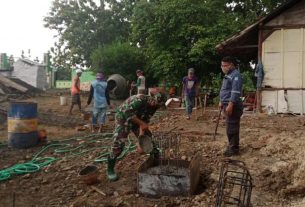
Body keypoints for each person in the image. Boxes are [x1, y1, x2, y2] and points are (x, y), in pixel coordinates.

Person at [107, 93, 166, 181]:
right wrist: (142, 124)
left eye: (157, 104)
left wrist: (141, 140)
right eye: (154, 102)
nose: (155, 105)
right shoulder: (140, 100)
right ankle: (110, 170)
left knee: (149, 139)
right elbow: (128, 114)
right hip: (123, 117)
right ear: (152, 98)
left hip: (137, 120)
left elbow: (144, 122)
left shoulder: (154, 106)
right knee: (119, 143)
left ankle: (156, 161)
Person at [219, 56, 243, 157]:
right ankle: (232, 146)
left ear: (231, 65)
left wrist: (230, 104)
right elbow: (225, 90)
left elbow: (235, 91)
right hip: (226, 104)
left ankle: (234, 149)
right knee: (229, 127)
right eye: (222, 65)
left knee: (232, 127)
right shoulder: (228, 75)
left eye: (225, 65)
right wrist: (221, 101)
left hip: (233, 105)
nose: (223, 67)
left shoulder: (235, 75)